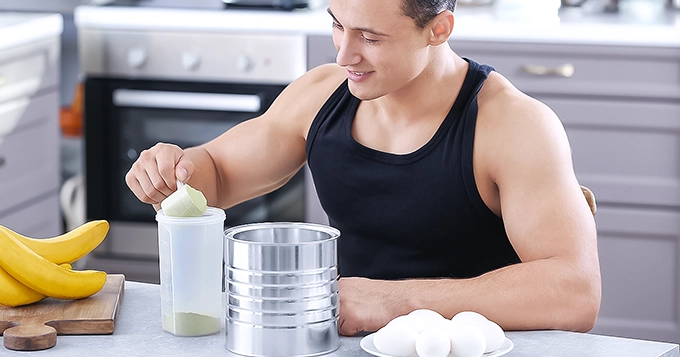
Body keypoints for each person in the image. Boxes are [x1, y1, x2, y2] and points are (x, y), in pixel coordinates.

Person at [126, 0, 601, 336]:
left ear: (438, 29)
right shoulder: (321, 94)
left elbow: (575, 292)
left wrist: (396, 302)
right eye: (338, 25)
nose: (343, 55)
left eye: (370, 38)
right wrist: (173, 170)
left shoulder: (514, 125)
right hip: (348, 342)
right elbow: (218, 174)